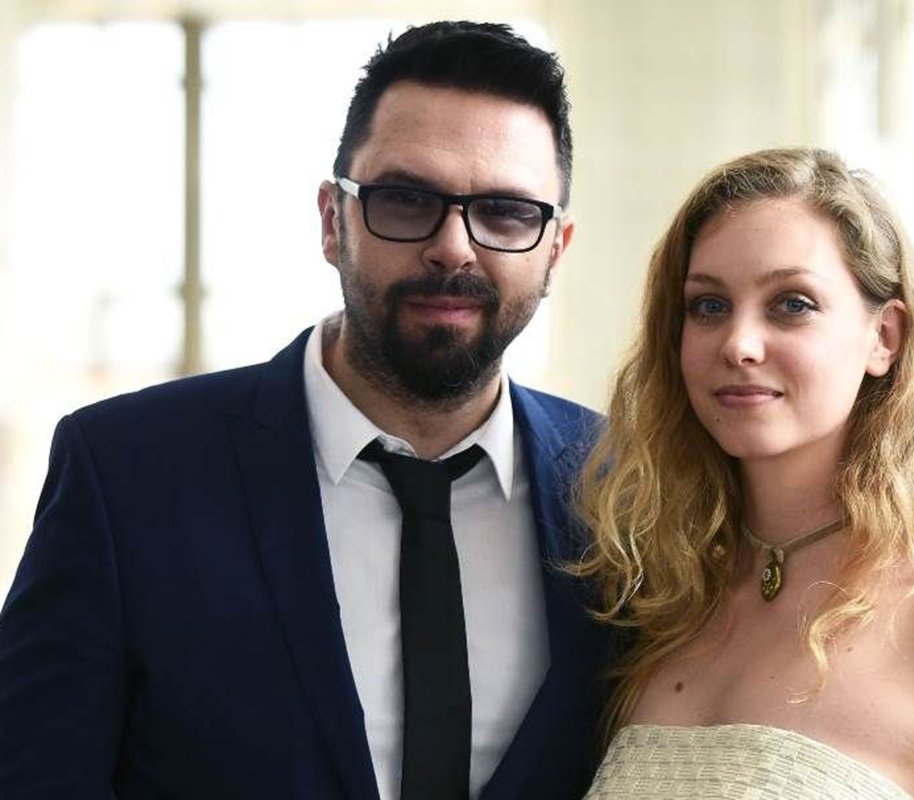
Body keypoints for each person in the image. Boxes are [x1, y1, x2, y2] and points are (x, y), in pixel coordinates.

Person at [0, 21, 608, 800]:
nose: (454, 246)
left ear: (555, 249)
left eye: (507, 212)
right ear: (332, 220)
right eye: (405, 199)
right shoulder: (124, 473)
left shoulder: (622, 486)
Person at [572, 147, 914, 798]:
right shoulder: (665, 607)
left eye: (791, 303)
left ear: (885, 337)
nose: (739, 343)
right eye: (708, 306)